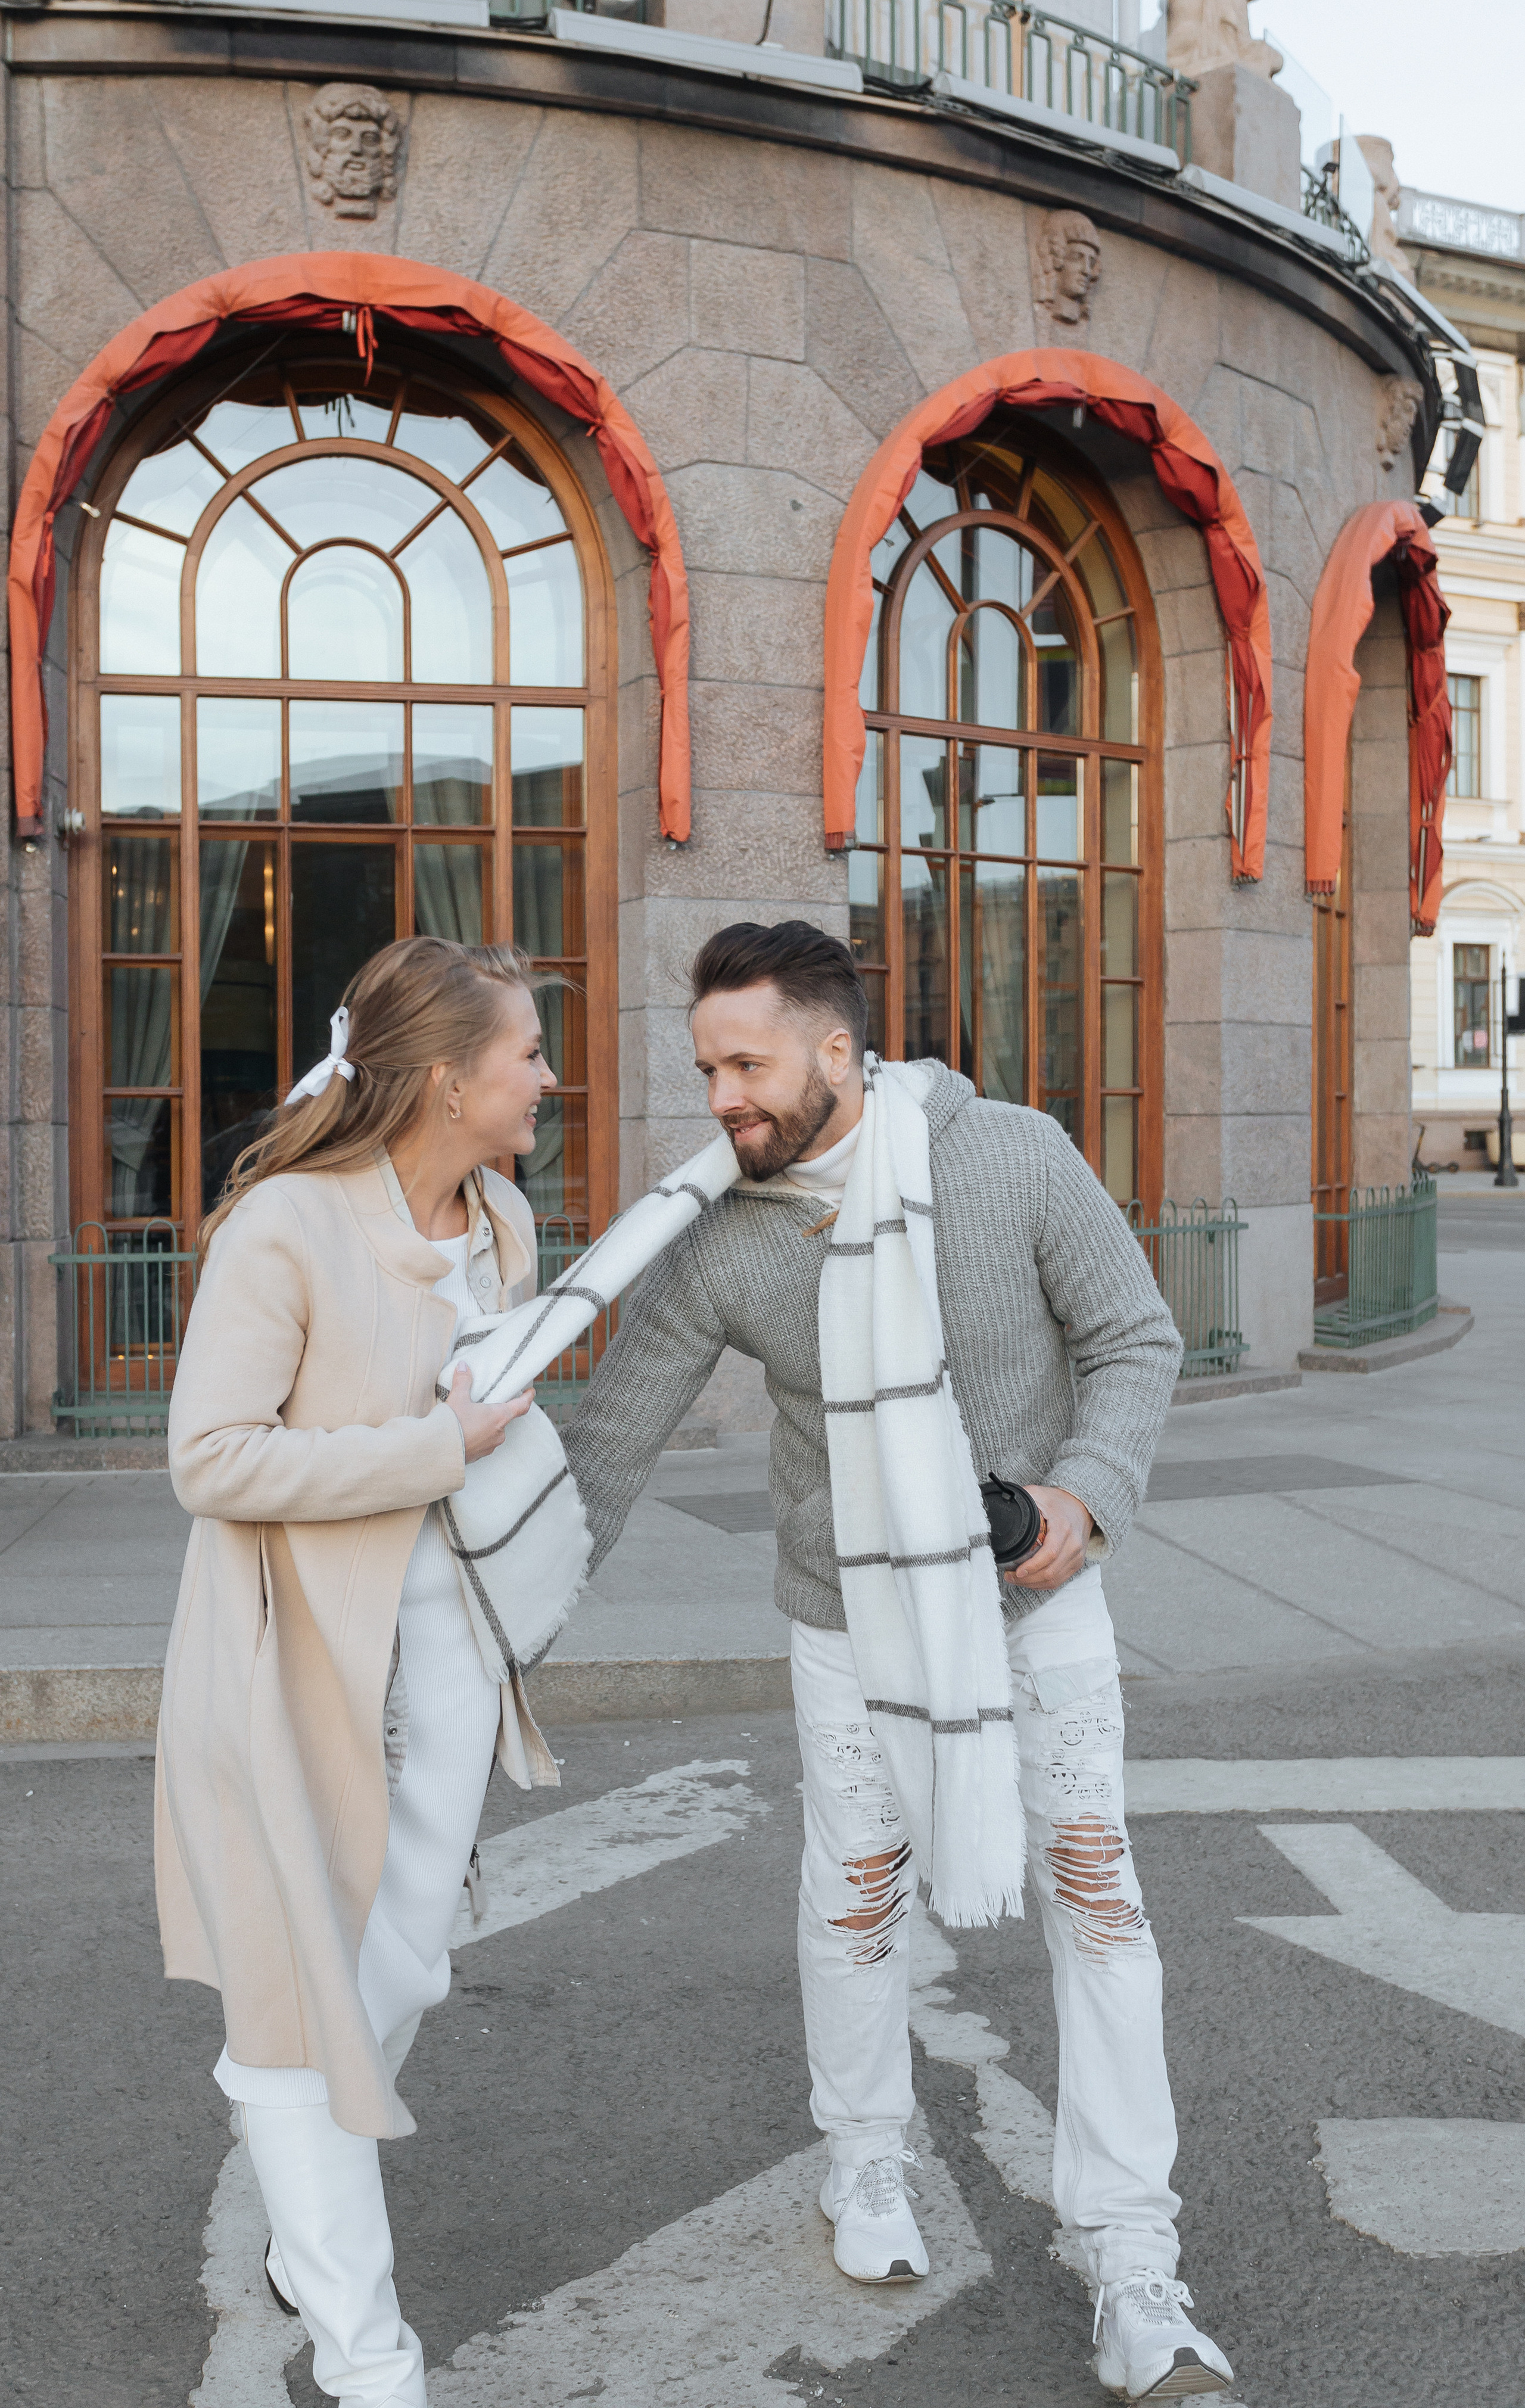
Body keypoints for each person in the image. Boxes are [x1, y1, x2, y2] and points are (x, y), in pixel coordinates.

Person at [562, 921, 1235, 2404]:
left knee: (1095, 1891)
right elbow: (607, 1443)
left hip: (1035, 1593)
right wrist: (486, 1612)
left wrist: (1081, 1498)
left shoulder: (1008, 1157)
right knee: (856, 1890)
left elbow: (1133, 1338)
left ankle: (1131, 2253)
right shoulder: (725, 1226)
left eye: (746, 1064)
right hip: (840, 1610)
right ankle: (865, 2161)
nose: (722, 1097)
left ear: (834, 1050)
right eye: (705, 1069)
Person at [157, 935, 556, 2408]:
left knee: (400, 1965)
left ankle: (288, 2166)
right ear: (450, 1076)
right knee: (293, 1994)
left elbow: (496, 1405)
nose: (545, 1077)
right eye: (525, 1053)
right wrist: (435, 1446)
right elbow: (210, 1456)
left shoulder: (503, 1214)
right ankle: (368, 2356)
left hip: (449, 1646)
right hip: (287, 1657)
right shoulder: (283, 1227)